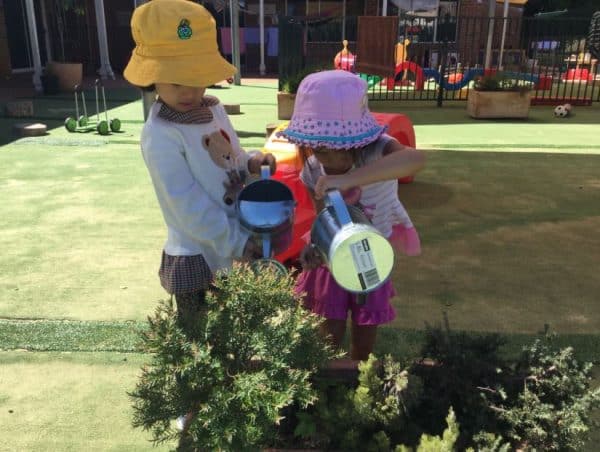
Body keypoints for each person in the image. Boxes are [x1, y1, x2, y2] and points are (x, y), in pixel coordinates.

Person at [123, 0, 275, 339]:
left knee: (234, 337)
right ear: (153, 77)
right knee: (200, 345)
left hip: (232, 244)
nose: (190, 91)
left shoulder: (214, 109)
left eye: (197, 78)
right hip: (197, 254)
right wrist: (236, 241)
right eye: (176, 82)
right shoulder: (160, 133)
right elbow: (186, 205)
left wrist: (251, 162)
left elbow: (230, 158)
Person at [277, 70, 425, 360]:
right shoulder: (312, 168)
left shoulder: (378, 151)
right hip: (332, 258)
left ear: (359, 139)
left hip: (371, 256)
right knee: (327, 328)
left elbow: (415, 160)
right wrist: (313, 246)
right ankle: (331, 375)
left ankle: (359, 370)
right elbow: (323, 216)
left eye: (340, 146)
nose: (328, 156)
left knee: (365, 324)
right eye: (320, 147)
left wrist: (348, 179)